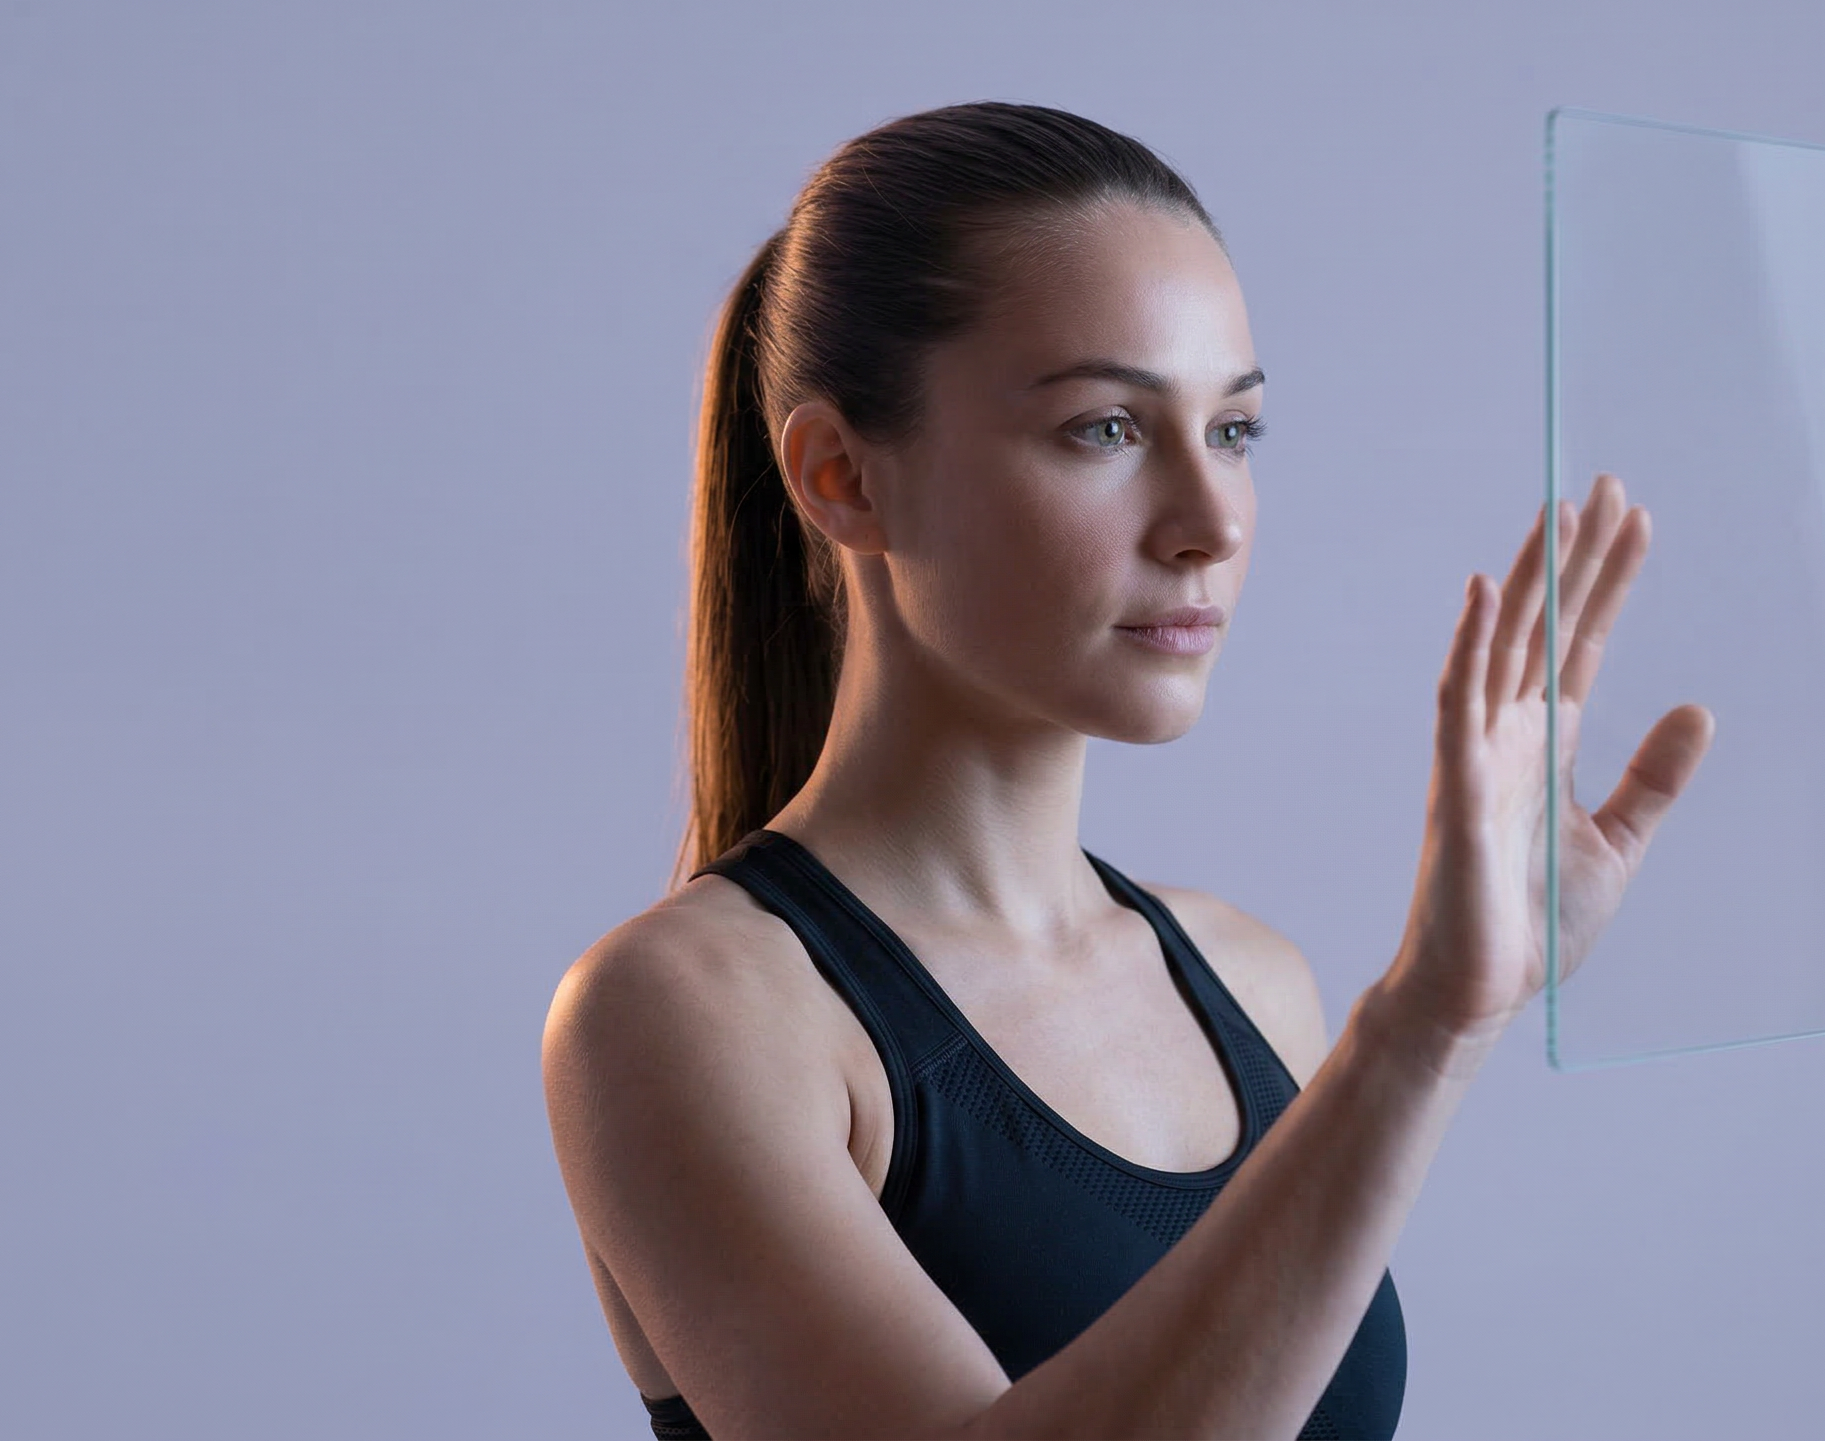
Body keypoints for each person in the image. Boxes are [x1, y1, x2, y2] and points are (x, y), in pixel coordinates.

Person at [540, 102, 1714, 1441]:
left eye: (1235, 431)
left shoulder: (1252, 983)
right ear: (842, 476)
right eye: (1105, 428)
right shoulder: (687, 1015)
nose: (1211, 525)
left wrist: (1454, 1020)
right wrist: (1423, 1031)